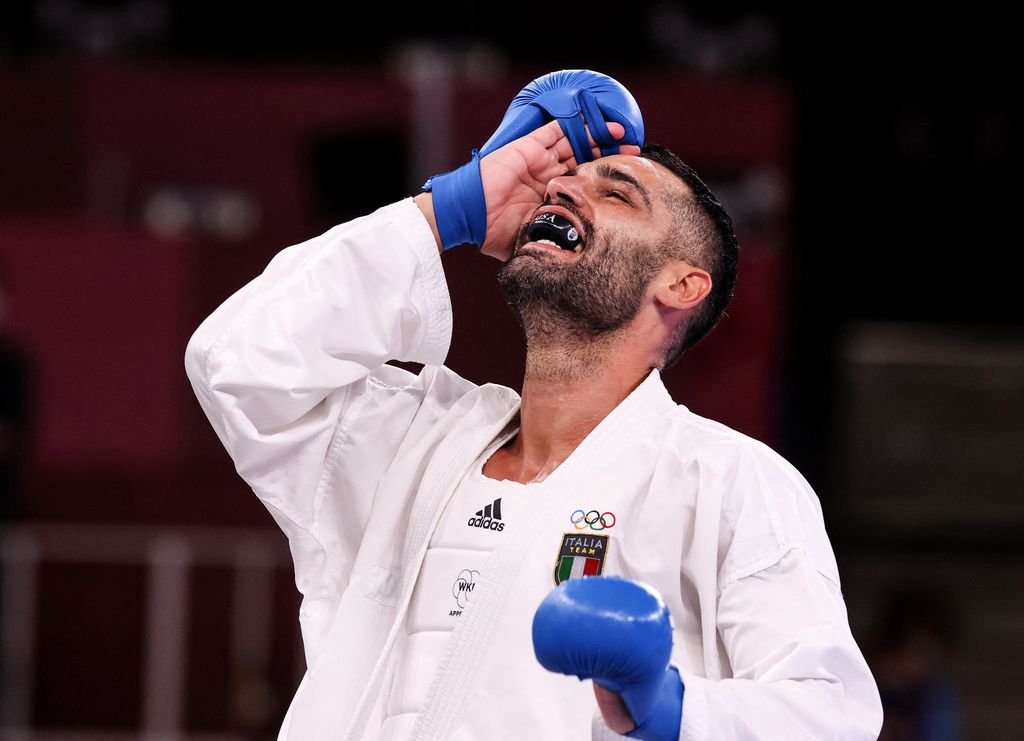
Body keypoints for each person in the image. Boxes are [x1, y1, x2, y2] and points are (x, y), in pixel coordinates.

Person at [185, 71, 883, 740]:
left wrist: (669, 707)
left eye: (618, 194)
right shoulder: (410, 443)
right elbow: (236, 361)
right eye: (561, 181)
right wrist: (444, 212)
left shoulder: (729, 481)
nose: (565, 190)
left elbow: (832, 713)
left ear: (682, 283)